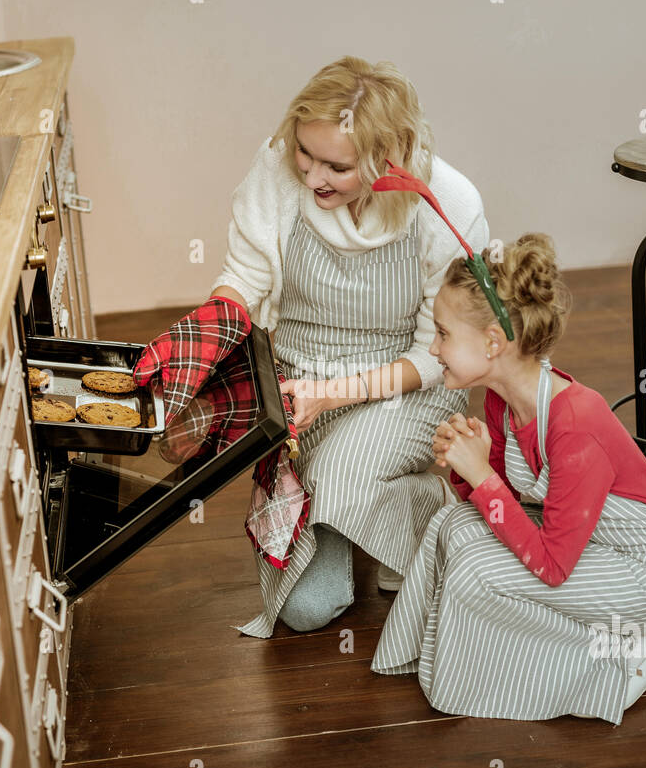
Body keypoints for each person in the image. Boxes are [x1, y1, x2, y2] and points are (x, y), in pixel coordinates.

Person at [203, 56, 489, 637]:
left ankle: (419, 501)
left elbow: (436, 353)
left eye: (337, 166)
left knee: (339, 478)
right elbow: (246, 274)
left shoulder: (448, 206)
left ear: (392, 156)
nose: (312, 178)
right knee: (307, 611)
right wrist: (208, 329)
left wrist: (332, 395)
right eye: (305, 155)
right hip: (298, 387)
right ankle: (363, 507)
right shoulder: (280, 164)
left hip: (405, 390)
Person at [371, 232, 646, 724]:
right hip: (594, 547)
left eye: (442, 334)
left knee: (477, 572)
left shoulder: (574, 424)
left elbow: (550, 566)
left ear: (492, 342)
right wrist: (468, 474)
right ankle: (472, 656)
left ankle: (623, 660)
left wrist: (480, 475)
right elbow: (505, 506)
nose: (433, 347)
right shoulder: (503, 401)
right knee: (454, 526)